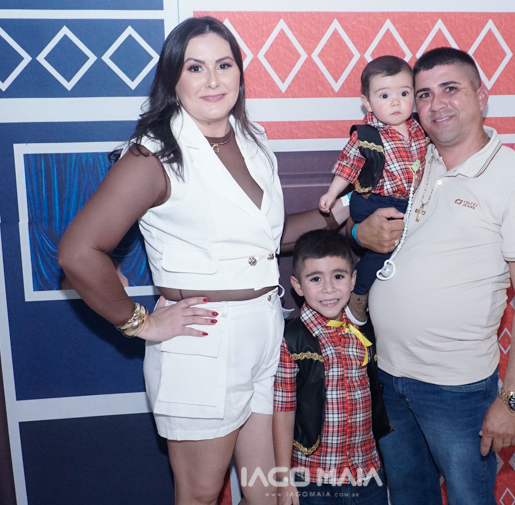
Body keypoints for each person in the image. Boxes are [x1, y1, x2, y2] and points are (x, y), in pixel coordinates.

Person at [58, 17, 346, 505]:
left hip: (264, 330)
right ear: (173, 79)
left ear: (240, 73)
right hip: (204, 343)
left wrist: (345, 215)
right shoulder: (154, 156)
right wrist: (140, 323)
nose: (213, 80)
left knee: (267, 492)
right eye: (195, 68)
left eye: (224, 65)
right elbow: (77, 252)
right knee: (199, 494)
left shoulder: (252, 139)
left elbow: (264, 240)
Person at [353, 47, 515, 505]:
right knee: (408, 497)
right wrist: (356, 232)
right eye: (424, 94)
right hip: (387, 375)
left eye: (451, 89)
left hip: (456, 391)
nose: (436, 103)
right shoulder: (410, 161)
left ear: (481, 97)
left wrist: (513, 400)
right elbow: (354, 212)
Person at [272, 230, 390, 505]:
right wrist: (284, 478)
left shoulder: (363, 334)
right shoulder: (291, 340)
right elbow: (283, 411)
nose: (328, 288)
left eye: (338, 276)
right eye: (315, 279)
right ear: (297, 285)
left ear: (353, 280)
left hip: (367, 474)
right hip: (314, 477)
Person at [317, 56, 428, 324]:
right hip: (373, 200)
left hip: (406, 201)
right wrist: (331, 194)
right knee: (384, 249)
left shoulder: (418, 129)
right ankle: (359, 293)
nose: (395, 102)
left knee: (411, 246)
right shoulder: (368, 135)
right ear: (367, 102)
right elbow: (347, 167)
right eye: (384, 95)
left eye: (404, 93)